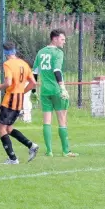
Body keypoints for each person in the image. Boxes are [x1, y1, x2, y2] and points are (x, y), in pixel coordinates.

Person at [32, 29, 78, 157]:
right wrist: (62, 87)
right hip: (57, 90)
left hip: (44, 91)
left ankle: (49, 151)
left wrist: (33, 90)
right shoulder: (58, 53)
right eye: (62, 39)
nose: (64, 42)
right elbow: (57, 70)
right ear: (55, 38)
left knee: (46, 121)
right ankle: (65, 151)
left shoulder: (41, 52)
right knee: (62, 120)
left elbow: (34, 72)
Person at [0, 41, 39, 164]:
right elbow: (33, 83)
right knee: (8, 129)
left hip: (10, 100)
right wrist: (22, 91)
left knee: (1, 129)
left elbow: (8, 82)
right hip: (19, 100)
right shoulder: (23, 63)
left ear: (5, 53)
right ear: (14, 51)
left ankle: (13, 158)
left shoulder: (8, 64)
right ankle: (31, 145)